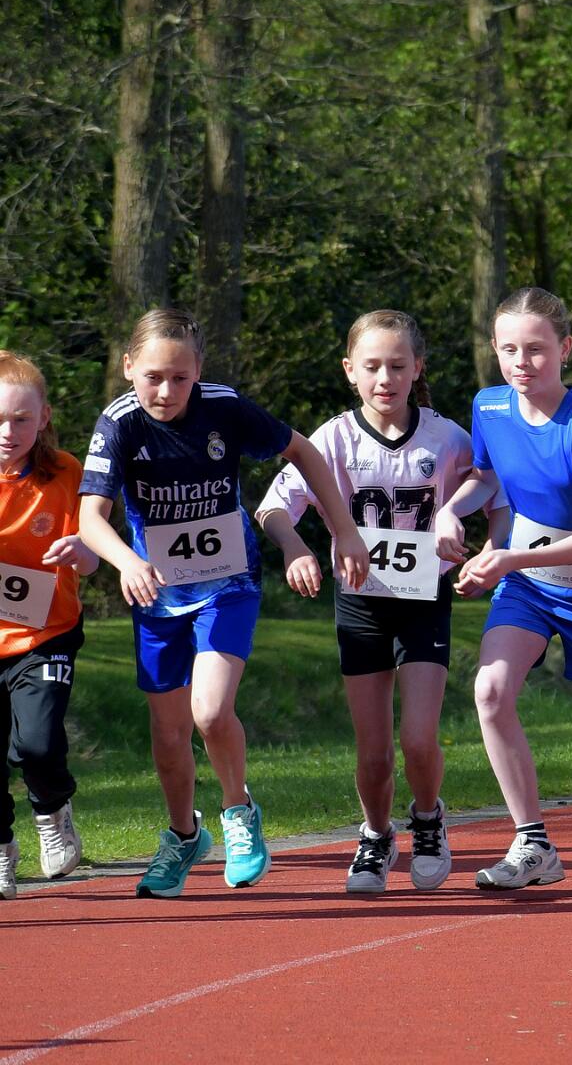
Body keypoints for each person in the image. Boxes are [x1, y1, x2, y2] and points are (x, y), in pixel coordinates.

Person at [79, 308, 369, 898]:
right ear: (128, 367)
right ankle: (184, 836)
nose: (166, 391)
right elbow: (90, 518)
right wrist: (128, 562)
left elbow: (304, 453)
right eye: (153, 377)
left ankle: (239, 812)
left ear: (199, 372)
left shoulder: (225, 407)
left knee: (210, 712)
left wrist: (343, 531)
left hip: (227, 581)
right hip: (158, 592)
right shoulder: (118, 423)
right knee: (168, 735)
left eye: (180, 378)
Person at [256, 310, 498, 893]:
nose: (384, 379)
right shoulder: (332, 439)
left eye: (397, 366)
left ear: (418, 369)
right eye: (371, 367)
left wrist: (478, 539)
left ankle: (428, 820)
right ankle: (375, 834)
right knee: (373, 751)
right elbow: (273, 506)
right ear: (350, 371)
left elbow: (490, 484)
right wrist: (294, 547)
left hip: (424, 599)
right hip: (360, 602)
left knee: (417, 737)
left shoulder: (446, 438)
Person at [448, 288, 572, 892]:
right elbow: (486, 477)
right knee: (490, 691)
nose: (521, 363)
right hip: (527, 585)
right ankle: (533, 843)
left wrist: (507, 557)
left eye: (535, 349)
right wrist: (450, 511)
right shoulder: (489, 407)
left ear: (565, 349)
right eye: (508, 350)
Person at [0, 352, 97, 897]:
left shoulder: (65, 472)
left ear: (44, 417)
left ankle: (52, 810)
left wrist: (82, 551)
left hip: (46, 633)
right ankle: (1, 848)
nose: (8, 432)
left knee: (37, 744)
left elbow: (95, 551)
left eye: (20, 419)